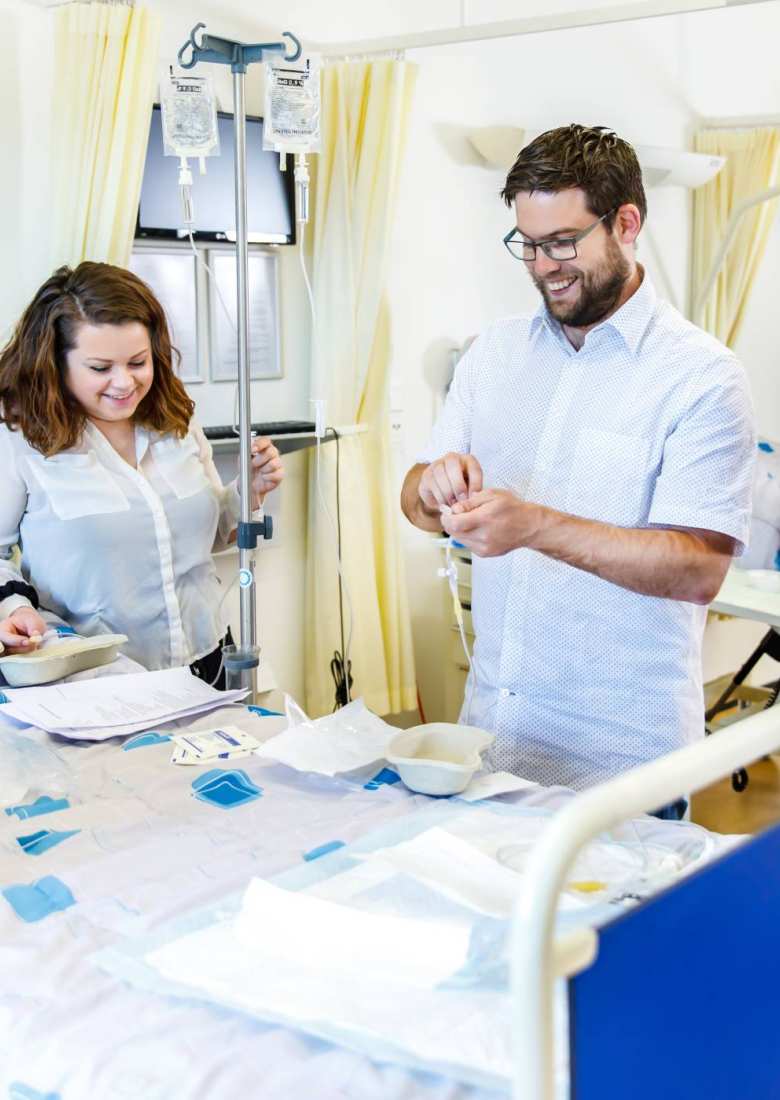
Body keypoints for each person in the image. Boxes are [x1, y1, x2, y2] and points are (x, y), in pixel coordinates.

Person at [401, 124, 755, 809]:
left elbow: (699, 568)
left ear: (626, 223)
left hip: (620, 766)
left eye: (563, 243)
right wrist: (433, 486)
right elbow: (414, 501)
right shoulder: (494, 355)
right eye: (527, 246)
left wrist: (535, 526)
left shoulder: (702, 378)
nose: (543, 267)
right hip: (493, 745)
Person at [0, 261, 283, 686]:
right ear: (55, 363)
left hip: (206, 659)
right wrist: (15, 608)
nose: (124, 383)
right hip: (94, 676)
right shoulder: (19, 435)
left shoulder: (175, 419)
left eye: (138, 362)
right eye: (100, 368)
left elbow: (210, 535)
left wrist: (250, 492)